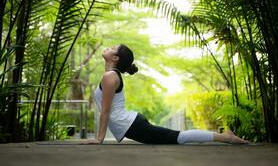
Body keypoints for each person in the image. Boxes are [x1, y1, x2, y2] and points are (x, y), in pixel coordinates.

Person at [89, 44, 249, 145]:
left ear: (115, 58)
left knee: (178, 137)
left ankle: (226, 137)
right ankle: (225, 136)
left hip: (131, 125)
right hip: (131, 123)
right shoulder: (110, 75)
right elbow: (106, 110)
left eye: (112, 48)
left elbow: (106, 111)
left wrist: (99, 139)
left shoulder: (110, 76)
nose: (108, 47)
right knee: (175, 137)